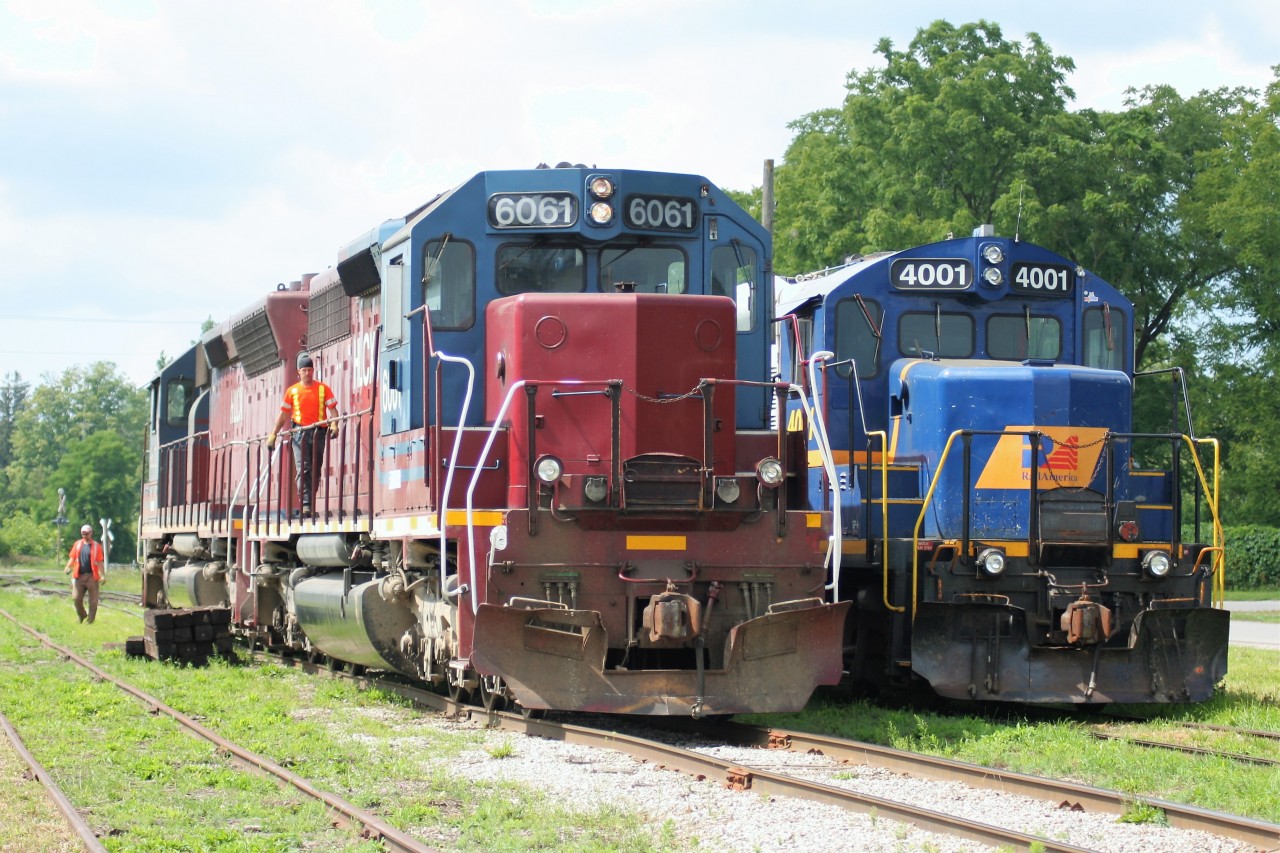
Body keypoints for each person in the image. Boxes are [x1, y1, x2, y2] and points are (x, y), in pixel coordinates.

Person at [267, 352, 339, 515]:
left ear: (313, 371)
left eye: (309, 370)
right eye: (304, 370)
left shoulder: (323, 389)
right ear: (299, 372)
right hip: (300, 433)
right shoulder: (292, 391)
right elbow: (284, 415)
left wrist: (335, 425)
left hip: (319, 432)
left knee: (316, 469)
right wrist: (273, 434)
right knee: (304, 468)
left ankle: (309, 502)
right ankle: (306, 504)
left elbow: (333, 410)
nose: (307, 373)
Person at [64, 524, 105, 623]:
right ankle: (82, 615)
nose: (84, 536)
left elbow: (100, 562)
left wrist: (103, 575)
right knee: (76, 598)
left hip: (92, 576)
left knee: (93, 601)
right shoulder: (77, 544)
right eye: (83, 534)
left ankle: (90, 621)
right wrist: (68, 567)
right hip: (79, 576)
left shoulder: (96, 546)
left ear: (91, 533)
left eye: (86, 534)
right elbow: (73, 558)